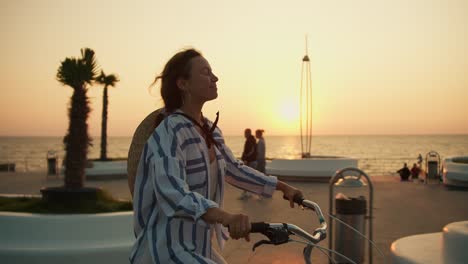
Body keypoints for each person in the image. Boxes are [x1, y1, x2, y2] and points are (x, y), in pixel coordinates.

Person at [130, 48, 302, 264]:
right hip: (167, 250)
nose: (215, 78)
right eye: (205, 72)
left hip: (200, 248)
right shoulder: (170, 131)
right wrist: (226, 217)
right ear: (183, 84)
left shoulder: (210, 129)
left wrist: (283, 187)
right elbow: (173, 193)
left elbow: (235, 169)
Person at [239, 128, 257, 199]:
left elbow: (250, 152)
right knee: (250, 178)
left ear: (248, 133)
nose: (244, 134)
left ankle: (245, 193)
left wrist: (246, 159)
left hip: (250, 162)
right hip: (253, 161)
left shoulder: (249, 140)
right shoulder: (253, 140)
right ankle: (247, 193)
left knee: (246, 177)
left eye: (245, 133)